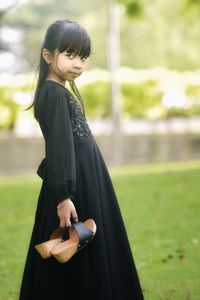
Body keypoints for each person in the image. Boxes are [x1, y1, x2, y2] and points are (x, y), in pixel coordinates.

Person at [18, 19, 144, 300]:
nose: (78, 63)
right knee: (72, 249)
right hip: (73, 185)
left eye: (83, 57)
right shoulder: (52, 93)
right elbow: (60, 147)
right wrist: (63, 197)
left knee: (84, 250)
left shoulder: (59, 91)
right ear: (47, 55)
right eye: (70, 54)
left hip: (83, 179)